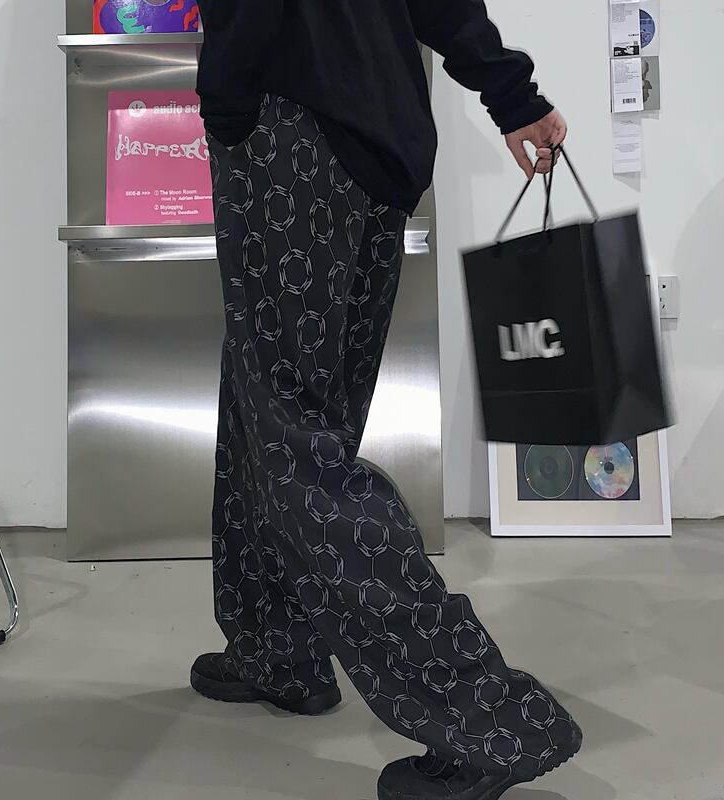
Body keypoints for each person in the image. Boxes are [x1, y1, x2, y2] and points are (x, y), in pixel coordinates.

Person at [190, 3, 579, 799]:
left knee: (295, 435)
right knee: (275, 402)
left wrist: (229, 99)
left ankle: (486, 720)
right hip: (380, 134)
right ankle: (276, 646)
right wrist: (509, 92)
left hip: (286, 125)